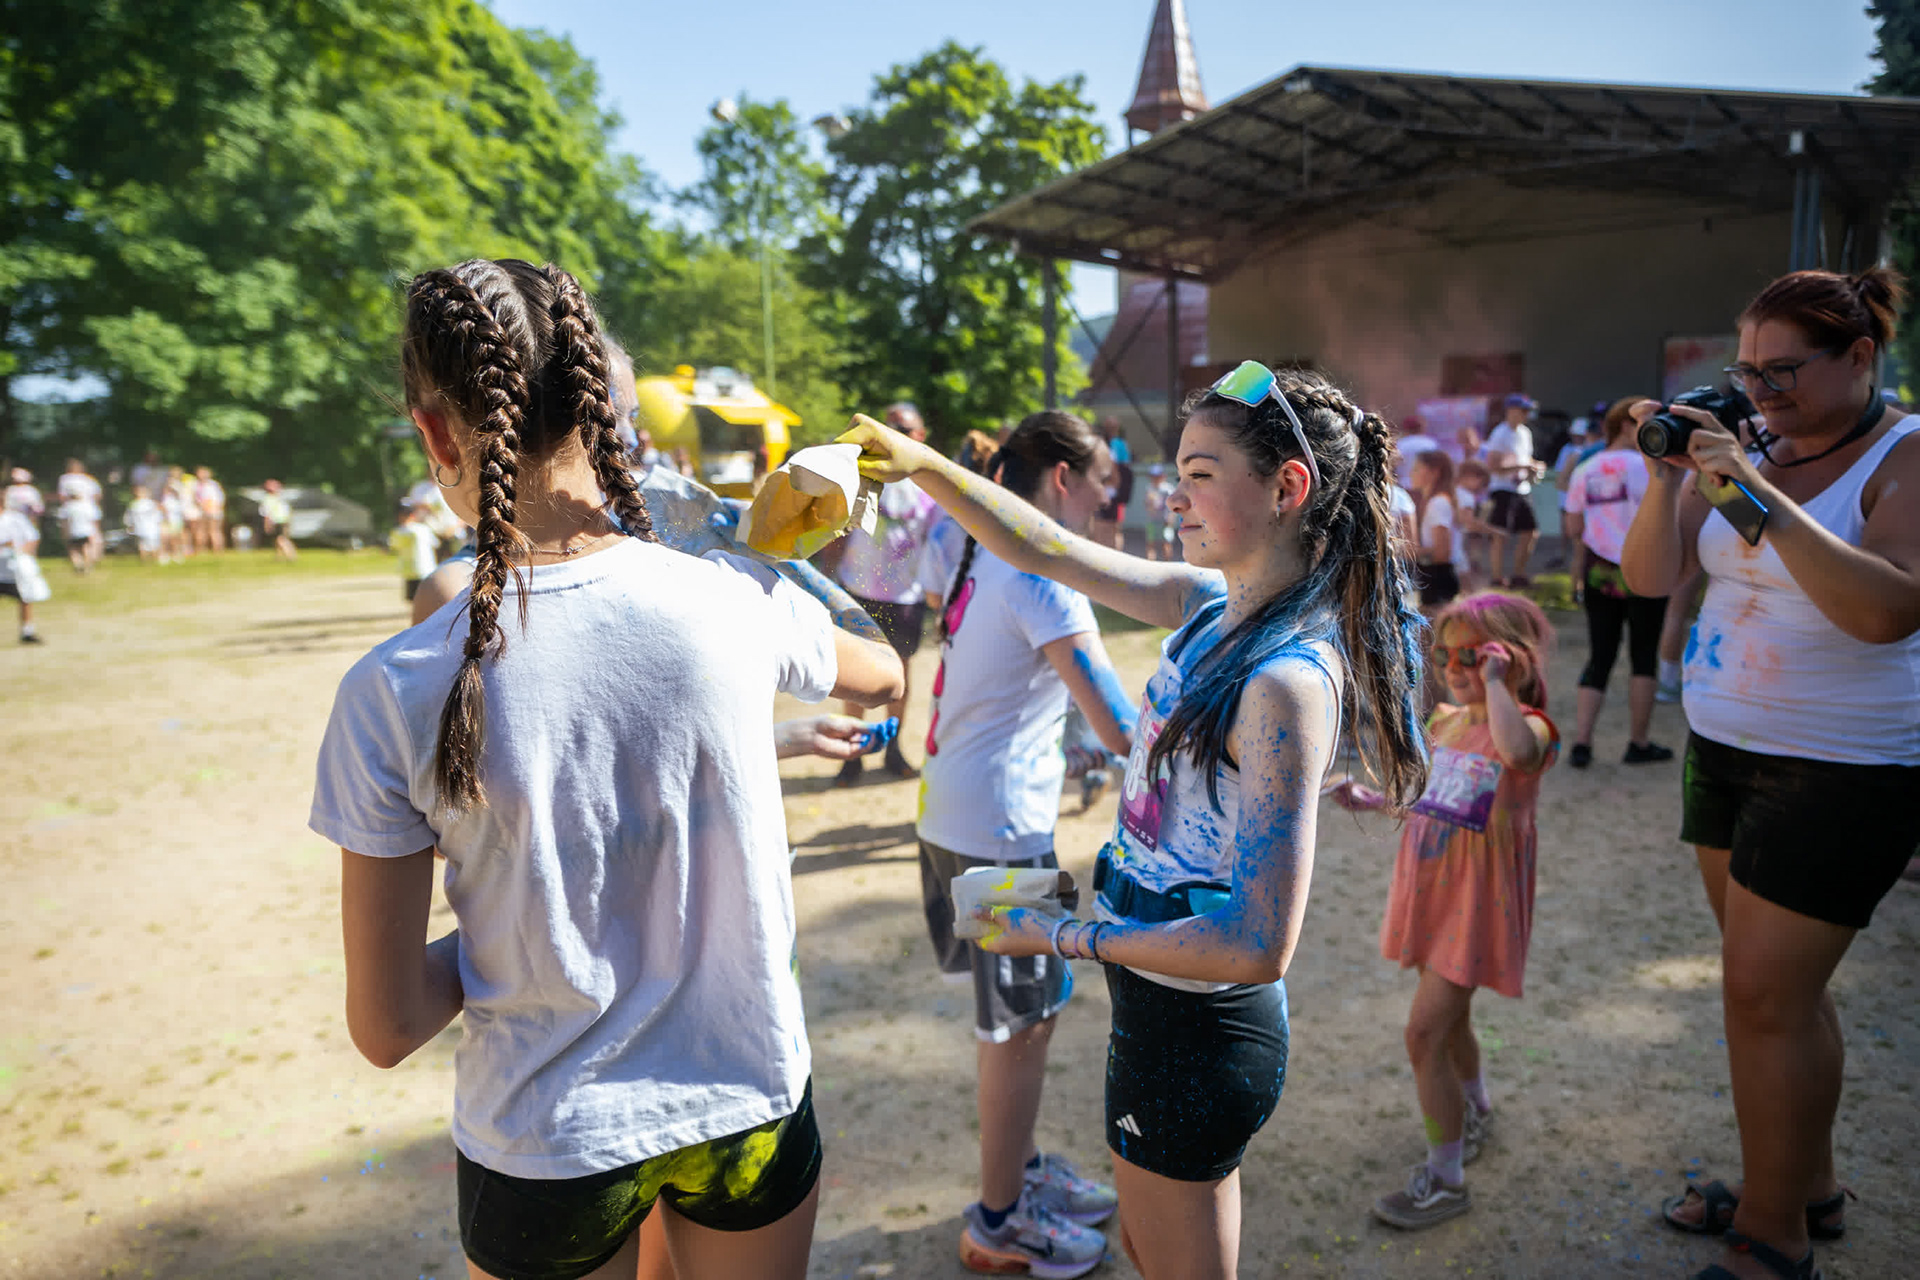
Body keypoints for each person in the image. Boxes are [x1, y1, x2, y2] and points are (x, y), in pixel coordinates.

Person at [313, 258, 904, 1280]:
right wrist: (762, 540)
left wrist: (518, 917)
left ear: (436, 435)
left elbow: (389, 1023)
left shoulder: (393, 685)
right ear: (607, 414)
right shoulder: (732, 597)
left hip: (547, 1139)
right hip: (747, 1101)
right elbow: (885, 673)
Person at [837, 358, 1428, 1280]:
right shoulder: (1207, 607)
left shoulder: (1284, 681)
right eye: (1176, 473)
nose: (1172, 497)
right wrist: (922, 465)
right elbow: (1045, 548)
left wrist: (1063, 935)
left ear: (1287, 489)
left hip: (1198, 1032)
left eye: (1199, 474)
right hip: (1155, 1005)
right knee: (1154, 1249)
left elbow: (1258, 945)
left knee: (1168, 1258)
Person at [1620, 266, 1920, 1280]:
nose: (1759, 391)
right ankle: (1804, 1188)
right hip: (1723, 751)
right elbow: (1651, 578)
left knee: (1762, 998)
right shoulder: (1752, 447)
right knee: (1783, 997)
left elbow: (1886, 610)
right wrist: (1666, 477)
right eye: (1748, 370)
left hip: (1842, 767)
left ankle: (1773, 1233)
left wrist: (1753, 490)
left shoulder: (1905, 453)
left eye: (1783, 371)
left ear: (1860, 356)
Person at [914, 412, 1133, 1279]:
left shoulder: (981, 550)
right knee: (1021, 1029)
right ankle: (1000, 1219)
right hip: (998, 838)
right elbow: (1120, 727)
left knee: (1022, 1019)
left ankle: (1022, 1170)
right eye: (1103, 481)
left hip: (951, 820)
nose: (1108, 499)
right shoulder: (1046, 574)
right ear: (1064, 480)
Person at [1331, 592, 1557, 1230]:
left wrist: (1497, 685)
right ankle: (1476, 1108)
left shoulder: (1530, 725)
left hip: (1476, 907)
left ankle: (1446, 1179)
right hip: (1435, 896)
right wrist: (1373, 799)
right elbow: (1431, 796)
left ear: (1511, 658)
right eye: (1445, 656)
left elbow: (1518, 755)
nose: (1454, 669)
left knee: (1424, 1034)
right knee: (1451, 1024)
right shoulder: (1447, 721)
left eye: (1472, 656)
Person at [825, 400, 939, 785]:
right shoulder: (861, 475)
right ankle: (853, 755)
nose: (892, 437)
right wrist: (825, 579)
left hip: (906, 597)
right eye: (887, 428)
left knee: (899, 677)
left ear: (919, 436)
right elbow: (837, 530)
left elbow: (939, 545)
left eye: (902, 430)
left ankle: (893, 749)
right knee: (854, 677)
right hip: (858, 591)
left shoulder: (929, 488)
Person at [1564, 398, 1672, 768]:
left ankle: (1582, 742)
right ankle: (1638, 743)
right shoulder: (1649, 467)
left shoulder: (1585, 468)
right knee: (1644, 656)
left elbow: (1573, 527)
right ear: (1627, 425)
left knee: (1600, 655)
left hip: (1599, 571)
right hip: (1646, 569)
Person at [1481, 394, 1545, 586]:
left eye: (1528, 410)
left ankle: (1518, 575)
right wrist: (1522, 467)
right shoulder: (1500, 433)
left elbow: (1525, 458)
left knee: (1530, 531)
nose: (1527, 414)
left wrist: (1536, 466)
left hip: (1522, 489)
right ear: (1511, 411)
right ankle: (1496, 577)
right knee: (1499, 534)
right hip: (1502, 489)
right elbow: (1493, 465)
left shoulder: (1525, 432)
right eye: (1523, 410)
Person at [1408, 450, 1460, 611]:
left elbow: (1442, 552)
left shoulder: (1438, 503)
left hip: (1439, 576)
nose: (1411, 474)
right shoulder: (1433, 501)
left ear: (1434, 472)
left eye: (1417, 469)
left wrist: (1411, 551)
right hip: (1434, 575)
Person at [0, 500, 47, 642]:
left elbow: (32, 538)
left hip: (14, 570)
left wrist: (21, 552)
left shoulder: (15, 519)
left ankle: (27, 631)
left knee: (25, 597)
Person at [56, 459, 104, 569]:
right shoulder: (88, 479)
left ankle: (77, 561)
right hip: (88, 507)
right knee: (92, 534)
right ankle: (92, 557)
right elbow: (97, 495)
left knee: (71, 538)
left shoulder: (65, 479)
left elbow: (62, 496)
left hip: (71, 508)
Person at [388, 501, 437, 603]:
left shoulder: (399, 531)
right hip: (425, 569)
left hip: (414, 570)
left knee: (416, 599)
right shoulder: (424, 528)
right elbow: (435, 544)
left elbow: (394, 546)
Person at [1394, 414, 1443, 489]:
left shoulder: (1401, 443)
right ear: (1421, 428)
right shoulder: (1431, 444)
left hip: (1404, 484)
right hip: (1426, 485)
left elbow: (1394, 464)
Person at [1143, 464, 1177, 562]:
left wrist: (1171, 517)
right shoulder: (1149, 488)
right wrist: (1149, 502)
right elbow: (1146, 504)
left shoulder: (1168, 489)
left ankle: (1167, 563)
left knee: (1166, 544)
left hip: (1165, 521)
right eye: (1152, 476)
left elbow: (1173, 506)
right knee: (1150, 543)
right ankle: (1151, 564)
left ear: (1163, 476)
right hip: (1152, 520)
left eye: (1157, 476)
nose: (1154, 478)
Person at [124, 485, 164, 563]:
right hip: (151, 528)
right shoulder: (151, 503)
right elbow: (158, 516)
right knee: (153, 545)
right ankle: (153, 560)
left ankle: (145, 561)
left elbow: (128, 518)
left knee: (143, 545)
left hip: (139, 528)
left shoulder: (134, 504)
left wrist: (130, 526)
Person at [193, 467, 226, 553]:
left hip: (213, 510)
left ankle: (217, 548)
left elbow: (218, 500)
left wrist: (211, 507)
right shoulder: (197, 485)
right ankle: (201, 548)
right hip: (203, 510)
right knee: (202, 530)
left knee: (214, 530)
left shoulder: (212, 485)